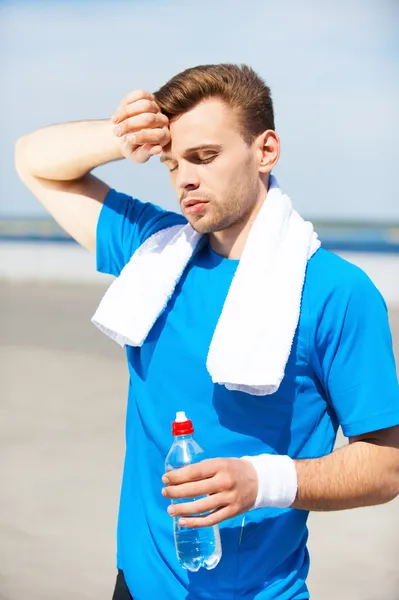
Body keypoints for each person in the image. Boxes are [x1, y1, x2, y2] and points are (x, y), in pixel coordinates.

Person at [15, 64, 399, 600]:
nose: (184, 180)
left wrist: (263, 483)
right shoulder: (153, 251)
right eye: (172, 164)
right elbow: (33, 161)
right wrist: (121, 135)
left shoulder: (338, 292)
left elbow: (386, 465)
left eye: (204, 157)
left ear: (266, 151)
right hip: (135, 585)